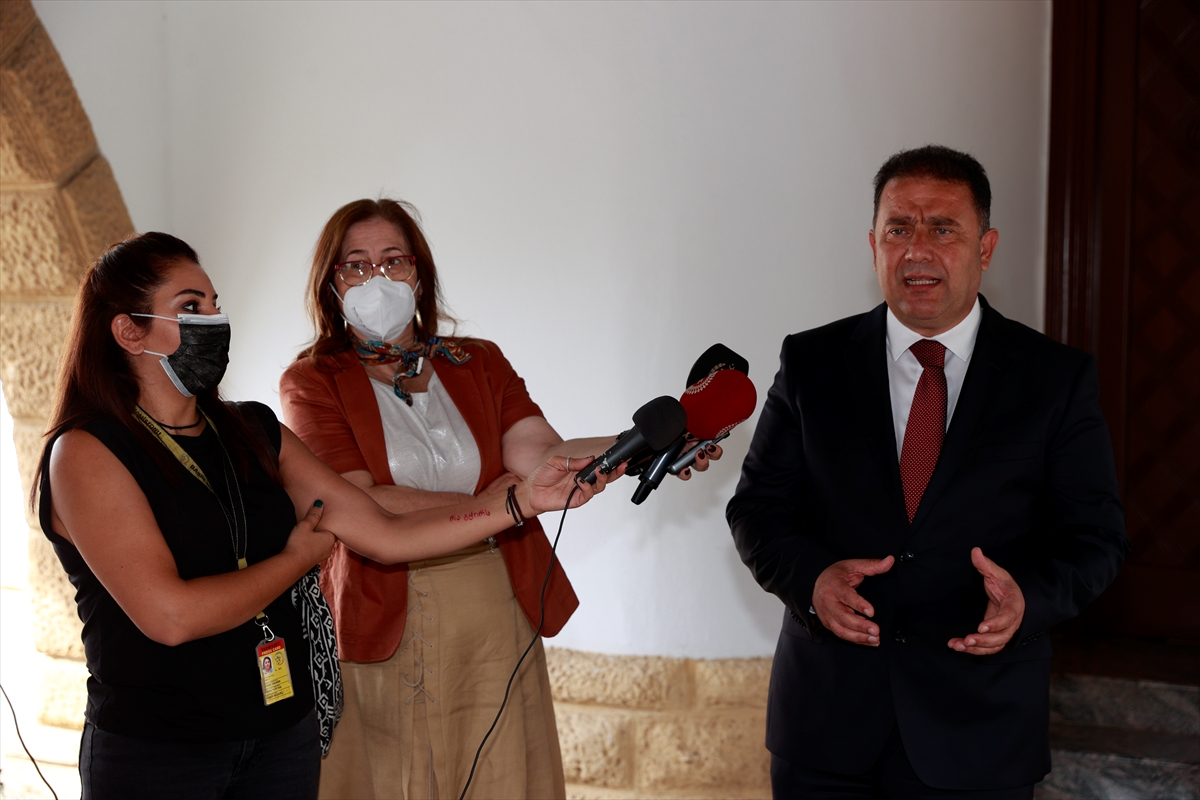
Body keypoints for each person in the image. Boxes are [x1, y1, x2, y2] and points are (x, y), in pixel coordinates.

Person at [35, 232, 609, 800]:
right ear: (128, 331)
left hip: (279, 735)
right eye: (190, 307)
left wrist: (521, 502)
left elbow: (384, 532)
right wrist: (296, 560)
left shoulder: (254, 430)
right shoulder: (88, 451)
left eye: (214, 304)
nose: (214, 321)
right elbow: (170, 616)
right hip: (163, 751)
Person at [280, 198, 718, 800]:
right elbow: (360, 502)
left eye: (392, 261)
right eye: (356, 265)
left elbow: (543, 454)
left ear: (418, 273)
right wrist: (499, 503)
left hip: (493, 607)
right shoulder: (312, 380)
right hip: (385, 611)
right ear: (331, 284)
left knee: (503, 776)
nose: (376, 279)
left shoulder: (477, 361)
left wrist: (651, 443)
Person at [726, 145, 1128, 797]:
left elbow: (1096, 537)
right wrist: (813, 580)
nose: (917, 251)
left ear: (985, 247)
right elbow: (758, 508)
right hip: (825, 730)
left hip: (980, 733)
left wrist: (1028, 599)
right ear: (873, 245)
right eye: (898, 229)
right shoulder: (812, 362)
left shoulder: (1055, 378)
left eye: (943, 229)